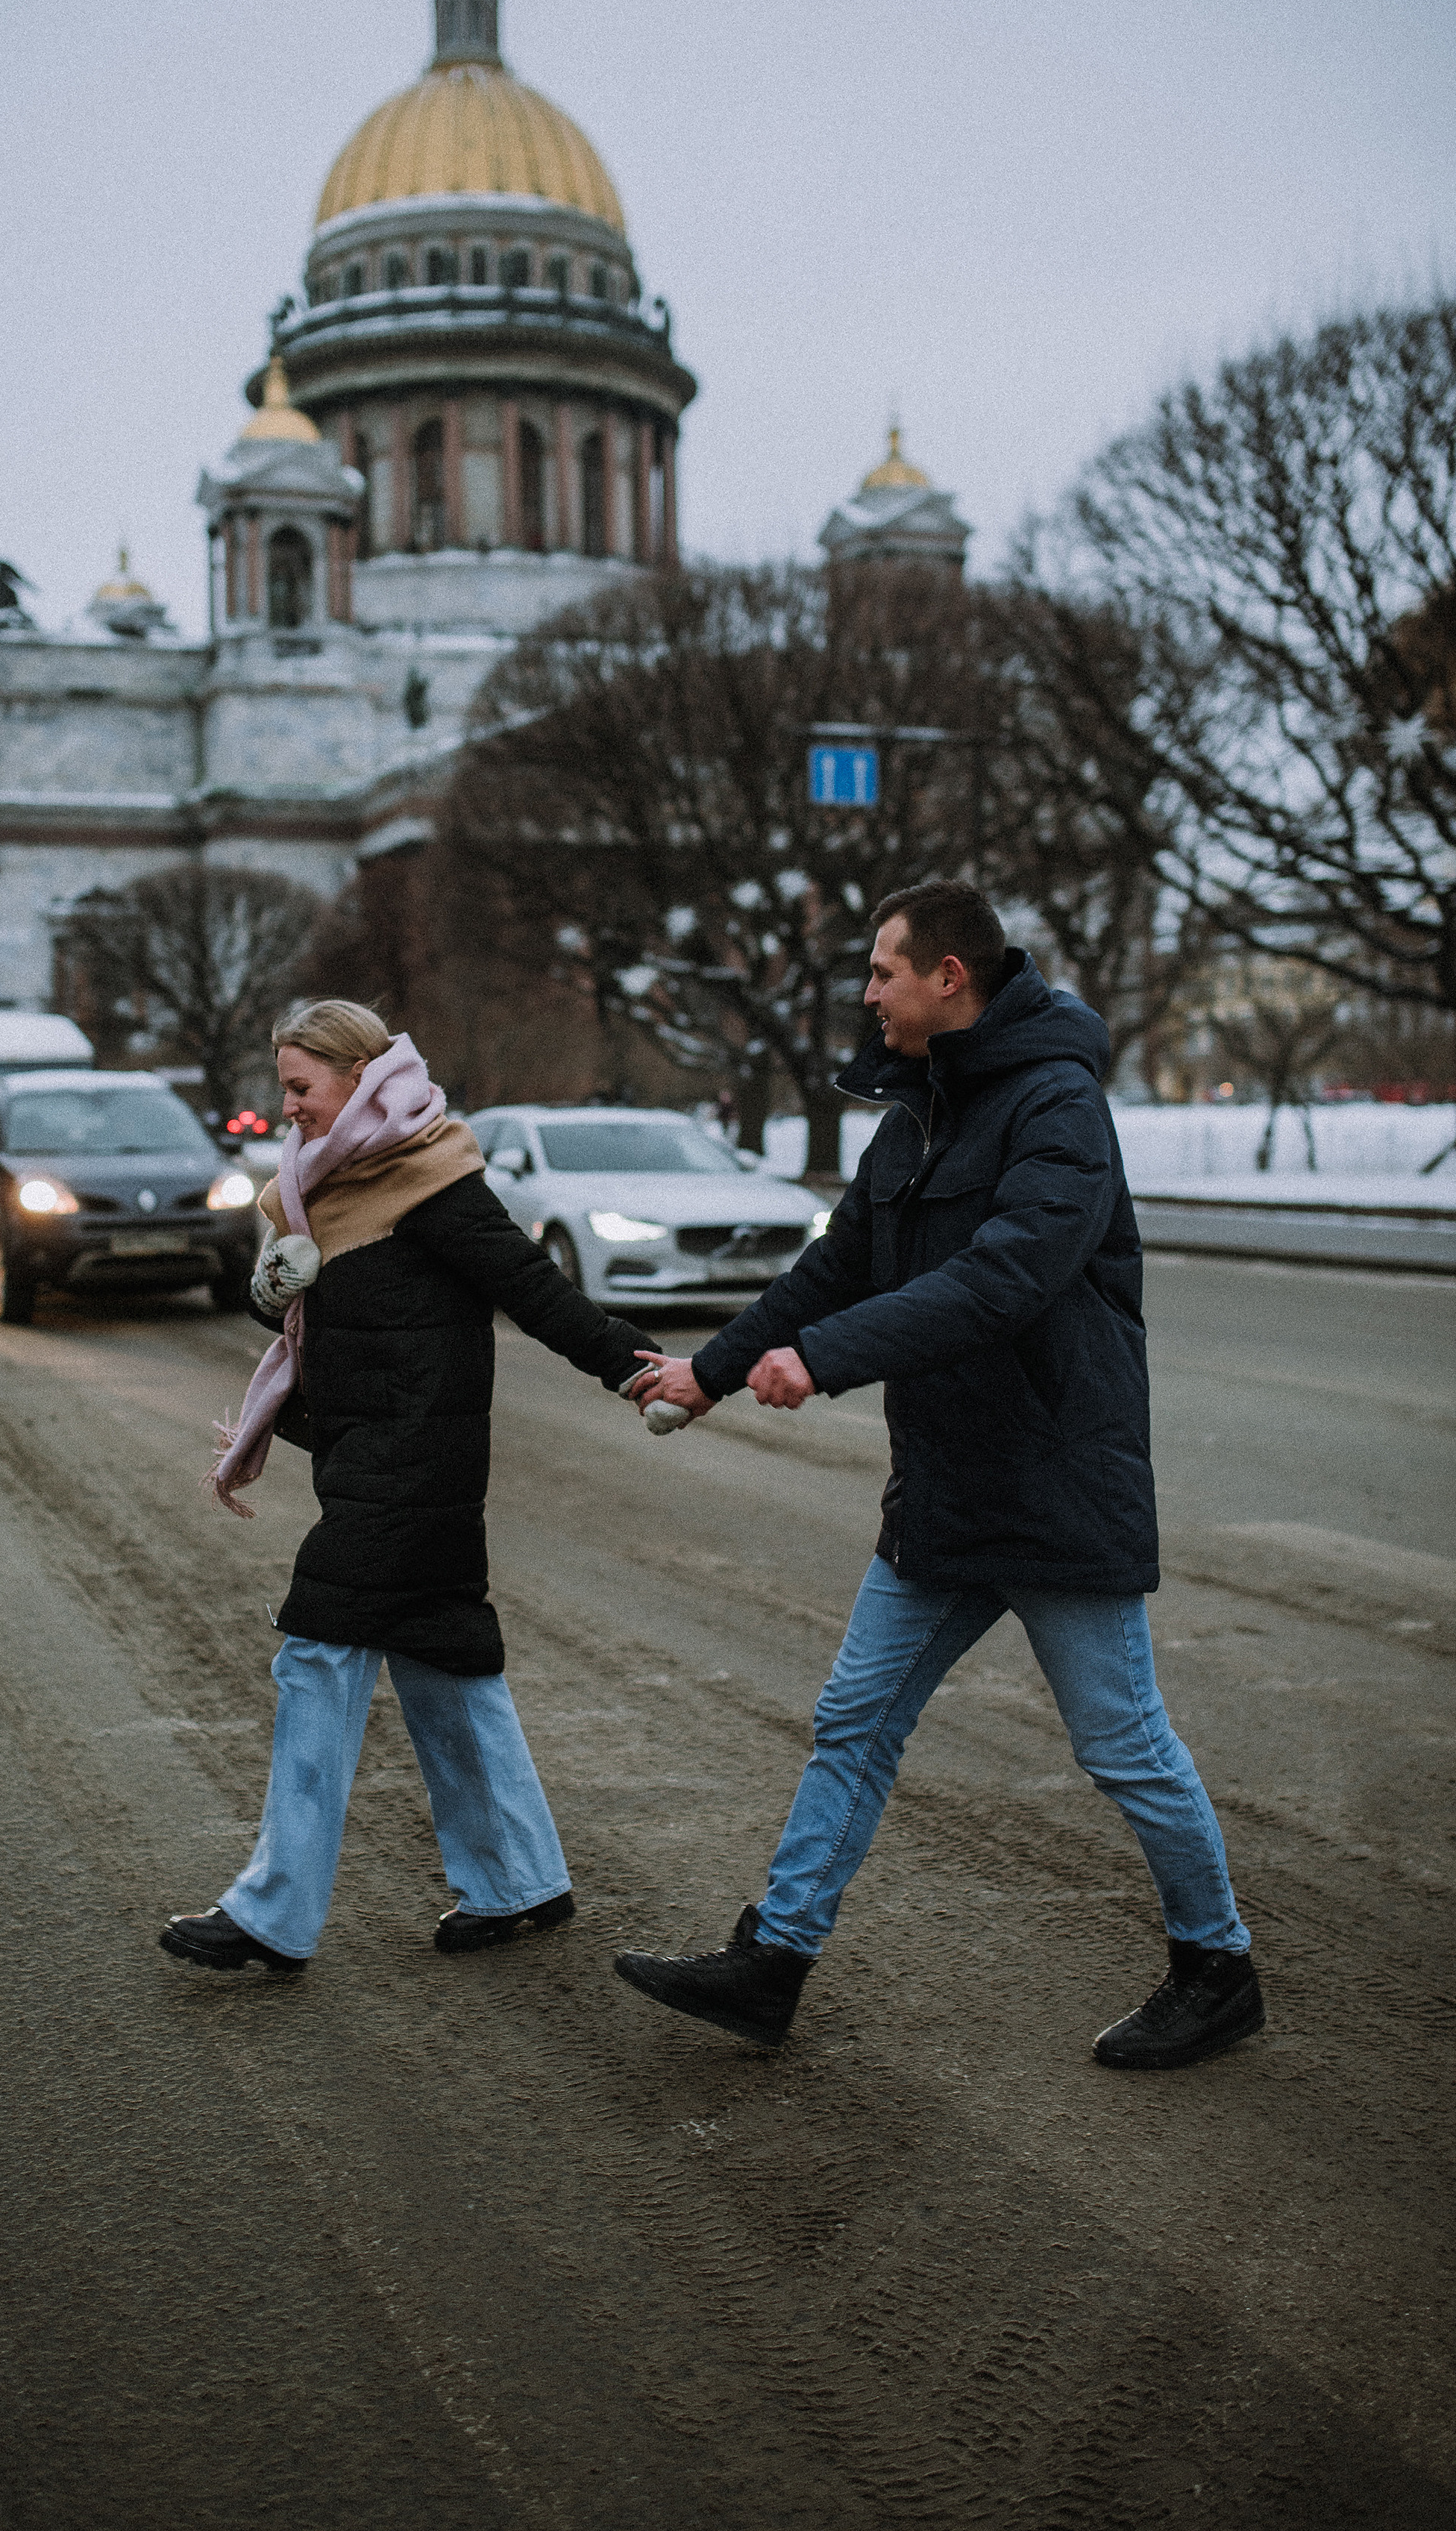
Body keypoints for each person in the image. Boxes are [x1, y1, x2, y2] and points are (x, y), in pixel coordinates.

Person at [620, 882, 1264, 2071]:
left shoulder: (1058, 1107)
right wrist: (709, 1373)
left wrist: (821, 1362)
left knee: (1122, 1746)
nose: (866, 994)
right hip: (948, 1490)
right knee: (853, 1721)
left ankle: (1216, 1968)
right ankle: (774, 1962)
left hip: (1054, 1484)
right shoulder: (916, 1112)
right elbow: (839, 1266)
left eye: (881, 971)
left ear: (949, 978)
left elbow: (1003, 1280)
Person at [161, 1001, 656, 1978]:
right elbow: (327, 1332)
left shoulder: (431, 1177)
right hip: (370, 1461)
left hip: (413, 1469)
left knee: (317, 1655)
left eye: (303, 1088)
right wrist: (279, 1296)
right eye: (284, 1089)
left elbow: (534, 1289)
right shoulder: (315, 1188)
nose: (289, 1108)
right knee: (444, 1666)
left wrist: (636, 1370)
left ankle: (273, 1912)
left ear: (359, 1079)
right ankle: (519, 1878)